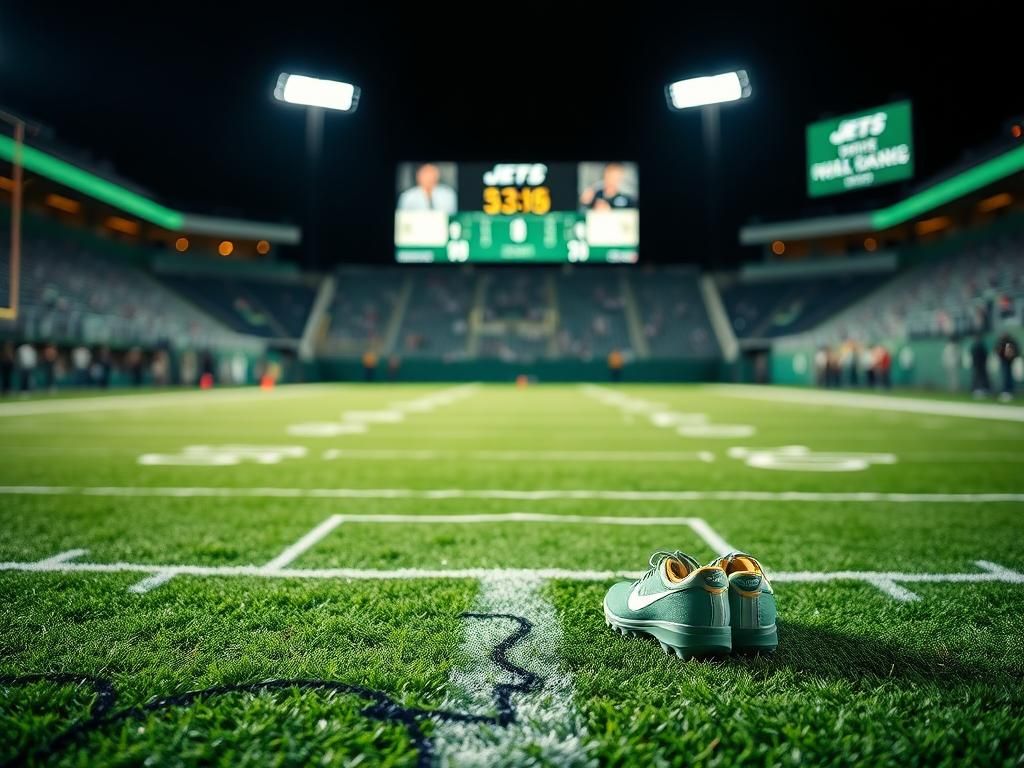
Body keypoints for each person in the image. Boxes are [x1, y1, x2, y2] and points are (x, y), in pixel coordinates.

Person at [995, 332, 1020, 402]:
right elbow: (998, 351)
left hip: (1009, 362)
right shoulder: (1003, 342)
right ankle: (1007, 391)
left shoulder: (1009, 342)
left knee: (1008, 376)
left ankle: (1008, 391)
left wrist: (1011, 357)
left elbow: (1016, 351)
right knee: (1006, 376)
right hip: (1005, 361)